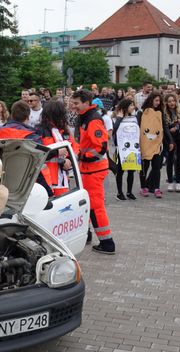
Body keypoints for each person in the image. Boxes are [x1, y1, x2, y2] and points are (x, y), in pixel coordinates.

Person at [71, 89, 115, 255]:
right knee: (89, 205)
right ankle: (88, 235)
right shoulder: (86, 117)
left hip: (94, 170)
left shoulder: (93, 119)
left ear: (86, 103)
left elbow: (101, 148)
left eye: (76, 103)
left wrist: (83, 156)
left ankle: (107, 243)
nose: (73, 106)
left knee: (96, 207)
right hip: (89, 169)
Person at [36, 100, 79, 196]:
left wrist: (69, 160)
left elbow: (72, 148)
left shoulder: (62, 130)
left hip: (62, 178)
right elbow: (37, 153)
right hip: (47, 180)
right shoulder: (39, 130)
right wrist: (57, 154)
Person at [137, 92, 174, 198]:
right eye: (156, 100)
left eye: (159, 101)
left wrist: (170, 140)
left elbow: (165, 128)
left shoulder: (160, 113)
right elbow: (138, 128)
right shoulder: (141, 112)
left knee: (157, 167)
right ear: (151, 100)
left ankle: (156, 188)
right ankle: (143, 187)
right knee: (145, 167)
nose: (158, 103)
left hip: (157, 144)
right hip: (144, 144)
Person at [112, 98, 140, 201]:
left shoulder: (135, 117)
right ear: (125, 107)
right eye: (131, 105)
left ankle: (129, 191)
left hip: (133, 148)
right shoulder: (116, 118)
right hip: (120, 148)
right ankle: (119, 192)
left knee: (131, 170)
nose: (133, 107)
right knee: (120, 171)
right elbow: (113, 130)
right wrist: (119, 118)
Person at [163, 93, 180, 192]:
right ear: (166, 103)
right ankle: (170, 182)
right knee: (170, 160)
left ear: (176, 102)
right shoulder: (164, 113)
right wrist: (170, 128)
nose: (172, 103)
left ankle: (177, 182)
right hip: (170, 139)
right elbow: (164, 127)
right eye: (169, 101)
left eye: (173, 101)